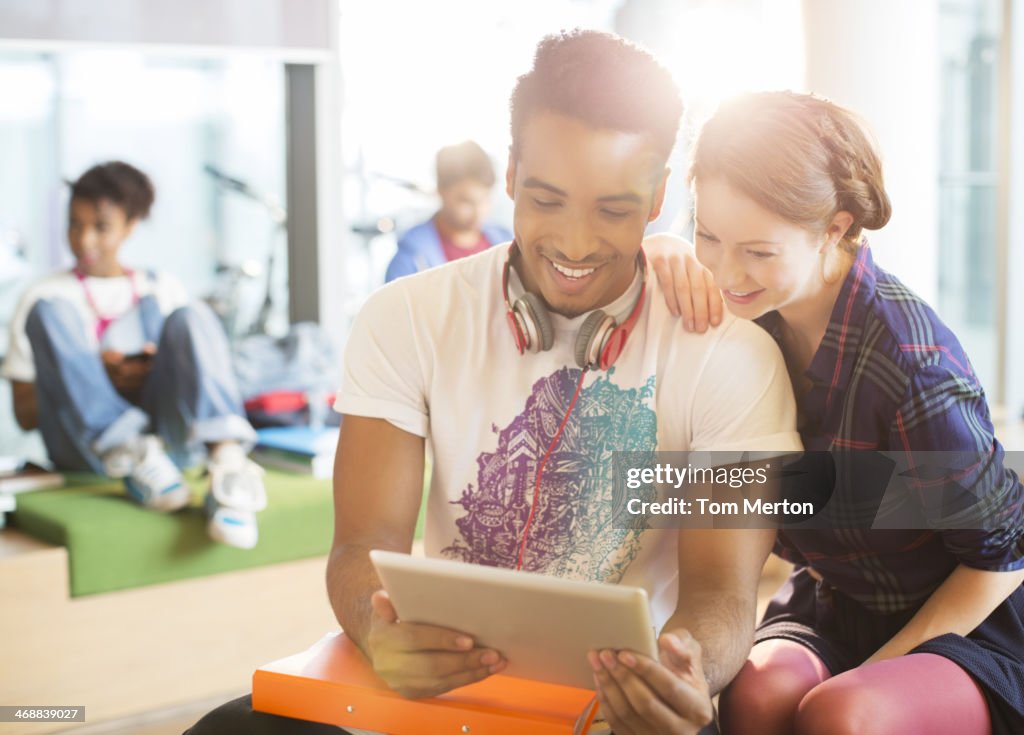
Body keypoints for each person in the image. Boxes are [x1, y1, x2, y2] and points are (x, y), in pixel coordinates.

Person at [186, 30, 801, 735]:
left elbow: (723, 592)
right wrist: (377, 629)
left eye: (612, 209)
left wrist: (686, 666)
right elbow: (361, 547)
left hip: (622, 711)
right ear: (510, 174)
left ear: (660, 195)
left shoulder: (730, 357)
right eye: (547, 200)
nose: (574, 244)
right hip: (446, 698)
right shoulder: (407, 316)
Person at [648, 91, 1024, 734]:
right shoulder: (747, 318)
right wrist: (660, 251)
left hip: (966, 621)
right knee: (755, 697)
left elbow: (1002, 557)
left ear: (837, 227)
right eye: (707, 235)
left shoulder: (910, 365)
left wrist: (878, 668)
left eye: (758, 252)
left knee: (844, 715)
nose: (724, 269)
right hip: (838, 599)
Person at [2, 161, 267, 549]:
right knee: (49, 311)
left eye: (101, 227)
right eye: (74, 225)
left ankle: (228, 465)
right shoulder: (42, 296)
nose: (84, 239)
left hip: (169, 448)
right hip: (88, 451)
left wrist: (148, 373)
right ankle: (127, 448)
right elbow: (25, 416)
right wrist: (90, 378)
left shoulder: (161, 287)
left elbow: (193, 380)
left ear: (130, 226)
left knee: (193, 315)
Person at [383, 140, 511, 282]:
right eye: (466, 201)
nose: (478, 211)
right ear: (441, 191)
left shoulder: (506, 245)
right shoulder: (409, 262)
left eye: (485, 199)